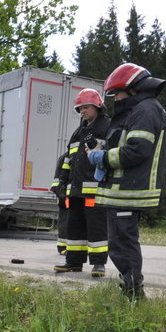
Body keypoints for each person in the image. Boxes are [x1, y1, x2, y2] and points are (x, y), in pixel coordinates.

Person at [87, 63, 166, 301]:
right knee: (120, 242)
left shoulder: (145, 109)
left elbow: (137, 150)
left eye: (117, 93)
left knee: (122, 244)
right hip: (123, 189)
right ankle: (130, 290)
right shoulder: (141, 109)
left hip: (129, 190)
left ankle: (133, 294)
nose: (116, 99)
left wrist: (102, 158)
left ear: (133, 90)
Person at [53, 88, 111, 277]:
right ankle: (74, 262)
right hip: (75, 189)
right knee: (74, 226)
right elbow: (69, 159)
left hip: (95, 189)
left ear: (97, 106)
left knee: (97, 228)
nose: (83, 111)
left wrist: (93, 142)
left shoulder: (107, 127)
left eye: (86, 107)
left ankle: (98, 264)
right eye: (80, 109)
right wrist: (62, 181)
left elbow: (107, 156)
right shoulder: (78, 132)